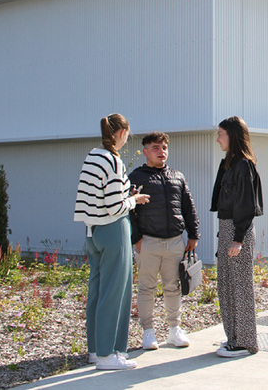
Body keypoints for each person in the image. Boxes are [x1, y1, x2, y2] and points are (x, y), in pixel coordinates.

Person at [74, 114, 150, 371]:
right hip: (113, 228)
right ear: (122, 133)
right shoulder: (113, 160)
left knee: (97, 291)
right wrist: (133, 200)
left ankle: (96, 350)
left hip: (91, 230)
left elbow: (92, 197)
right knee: (116, 292)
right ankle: (110, 354)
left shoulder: (92, 156)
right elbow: (114, 205)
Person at [128, 132, 200, 351]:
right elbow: (129, 210)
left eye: (164, 148)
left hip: (175, 242)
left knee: (173, 287)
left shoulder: (177, 176)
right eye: (156, 148)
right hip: (148, 242)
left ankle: (174, 330)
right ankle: (148, 333)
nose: (162, 152)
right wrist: (137, 239)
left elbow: (188, 206)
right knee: (146, 288)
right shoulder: (136, 177)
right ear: (145, 151)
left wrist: (193, 234)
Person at [210, 116, 263, 358]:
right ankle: (233, 337)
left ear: (232, 135)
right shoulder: (228, 164)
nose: (217, 138)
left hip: (236, 231)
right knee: (227, 285)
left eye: (221, 133)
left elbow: (246, 205)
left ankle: (245, 342)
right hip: (227, 228)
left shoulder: (244, 165)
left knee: (240, 286)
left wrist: (238, 239)